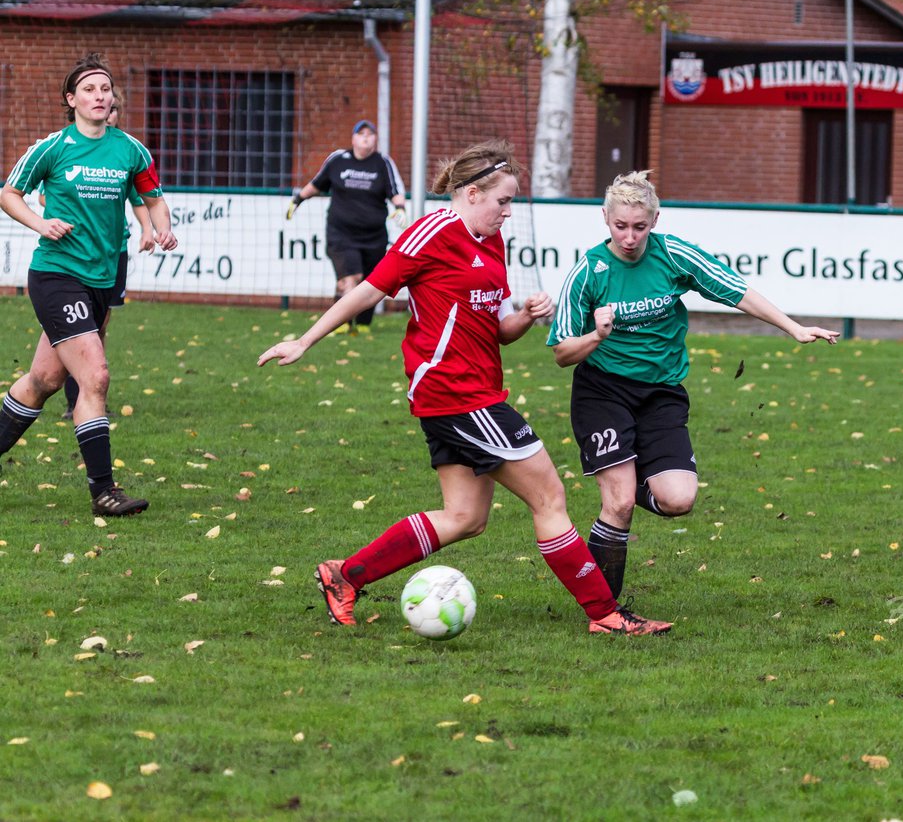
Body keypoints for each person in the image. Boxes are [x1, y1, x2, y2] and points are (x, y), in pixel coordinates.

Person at [258, 140, 671, 636]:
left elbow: (497, 330)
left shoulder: (490, 240)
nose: (509, 212)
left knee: (465, 517)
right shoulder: (431, 233)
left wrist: (521, 316)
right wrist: (305, 340)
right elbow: (369, 289)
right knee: (549, 498)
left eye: (512, 202)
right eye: (504, 201)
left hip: (473, 394)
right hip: (457, 396)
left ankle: (344, 576)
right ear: (472, 193)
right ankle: (605, 614)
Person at [547, 170, 840, 599]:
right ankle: (604, 612)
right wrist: (596, 336)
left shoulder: (674, 256)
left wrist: (792, 328)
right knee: (620, 502)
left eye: (640, 227)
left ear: (656, 220)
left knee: (679, 500)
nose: (630, 237)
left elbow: (736, 291)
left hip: (661, 393)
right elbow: (561, 354)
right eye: (620, 226)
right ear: (605, 219)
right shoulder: (589, 272)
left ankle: (633, 473)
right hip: (603, 391)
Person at [0, 52, 178, 516]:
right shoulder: (52, 148)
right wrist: (41, 224)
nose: (100, 96)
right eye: (90, 90)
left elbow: (152, 197)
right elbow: (8, 194)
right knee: (95, 376)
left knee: (43, 379)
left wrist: (161, 227)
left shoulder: (131, 149)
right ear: (71, 99)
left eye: (105, 89)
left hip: (101, 277)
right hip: (57, 274)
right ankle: (104, 491)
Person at [61, 100, 155, 418]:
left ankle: (91, 396)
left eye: (113, 108)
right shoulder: (69, 149)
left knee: (98, 328)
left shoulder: (123, 156)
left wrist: (147, 230)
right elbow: (49, 192)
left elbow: (140, 198)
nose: (108, 113)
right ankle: (76, 400)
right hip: (74, 257)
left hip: (115, 253)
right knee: (76, 330)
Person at [286, 119, 407, 335]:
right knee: (352, 277)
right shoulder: (338, 160)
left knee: (370, 281)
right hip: (341, 233)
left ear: (375, 140)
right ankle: (342, 322)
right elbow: (316, 184)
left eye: (370, 134)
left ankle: (361, 323)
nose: (366, 137)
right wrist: (298, 200)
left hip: (374, 235)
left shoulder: (383, 162)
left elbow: (395, 190)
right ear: (353, 138)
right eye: (362, 134)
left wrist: (400, 208)